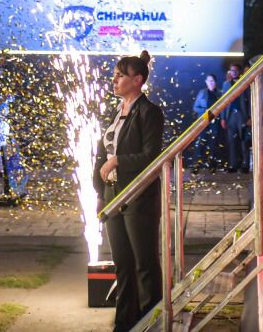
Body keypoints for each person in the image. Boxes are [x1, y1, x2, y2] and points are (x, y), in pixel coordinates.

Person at [94, 52, 165, 332]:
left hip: (138, 196)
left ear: (138, 80)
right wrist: (99, 189)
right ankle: (125, 322)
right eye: (115, 74)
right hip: (113, 195)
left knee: (144, 263)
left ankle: (151, 321)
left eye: (120, 75)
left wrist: (118, 161)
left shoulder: (149, 112)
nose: (114, 80)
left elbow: (151, 155)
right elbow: (104, 152)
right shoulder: (117, 112)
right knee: (122, 263)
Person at [189, 75, 220, 170]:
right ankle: (197, 165)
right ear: (206, 82)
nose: (210, 82)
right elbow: (195, 107)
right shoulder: (202, 93)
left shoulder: (219, 93)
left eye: (212, 81)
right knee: (200, 142)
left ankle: (212, 165)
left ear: (215, 82)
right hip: (203, 120)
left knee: (213, 143)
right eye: (209, 81)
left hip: (215, 121)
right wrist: (206, 113)